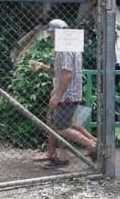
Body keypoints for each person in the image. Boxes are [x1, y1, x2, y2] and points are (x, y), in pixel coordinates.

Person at [32, 19, 97, 166]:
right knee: (67, 124)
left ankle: (92, 145)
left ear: (57, 33)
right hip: (71, 92)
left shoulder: (65, 48)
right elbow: (59, 71)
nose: (50, 37)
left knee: (61, 127)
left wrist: (57, 96)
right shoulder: (69, 46)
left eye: (51, 33)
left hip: (67, 94)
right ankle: (63, 156)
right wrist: (43, 67)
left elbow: (66, 74)